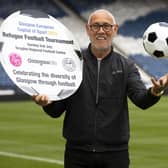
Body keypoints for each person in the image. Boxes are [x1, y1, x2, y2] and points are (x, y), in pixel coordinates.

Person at [32, 9, 168, 168]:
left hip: (116, 154)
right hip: (77, 154)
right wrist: (47, 103)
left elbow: (141, 100)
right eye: (96, 26)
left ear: (115, 30)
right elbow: (56, 111)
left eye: (106, 26)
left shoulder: (127, 66)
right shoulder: (71, 64)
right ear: (88, 29)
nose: (101, 31)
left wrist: (155, 91)